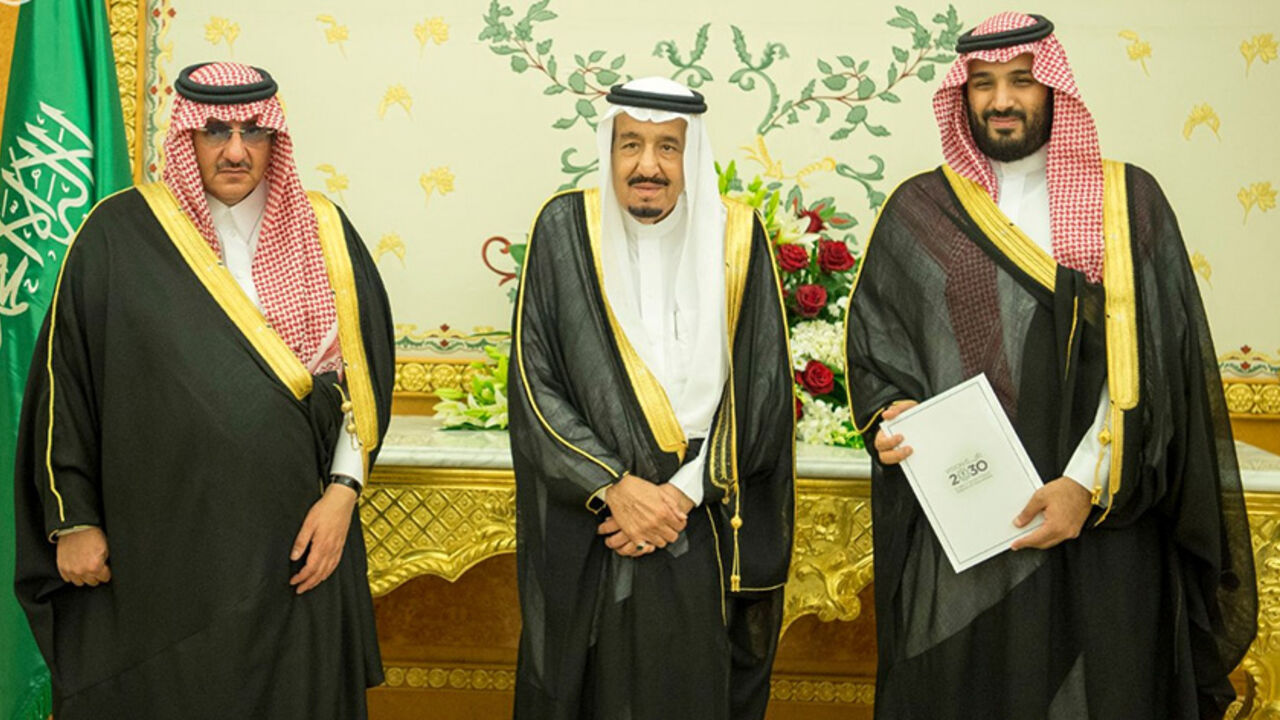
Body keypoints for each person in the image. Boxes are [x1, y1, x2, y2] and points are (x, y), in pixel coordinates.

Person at [844, 12, 1256, 719]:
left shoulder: (1129, 203)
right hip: (973, 536)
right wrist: (890, 415)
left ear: (1053, 88)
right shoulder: (920, 209)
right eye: (982, 83)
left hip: (1107, 523)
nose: (1001, 99)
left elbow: (1156, 364)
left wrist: (1083, 485)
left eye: (1021, 80)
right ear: (961, 96)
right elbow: (879, 350)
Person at [12, 61, 395, 719]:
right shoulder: (118, 233)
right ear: (185, 136)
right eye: (215, 130)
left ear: (277, 138)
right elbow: (63, 384)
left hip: (296, 547)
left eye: (254, 130)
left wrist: (341, 496)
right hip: (159, 551)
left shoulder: (325, 232)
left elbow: (362, 386)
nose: (235, 149)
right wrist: (71, 519)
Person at [508, 77, 794, 720]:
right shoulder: (564, 230)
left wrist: (680, 496)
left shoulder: (738, 240)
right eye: (630, 144)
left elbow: (765, 393)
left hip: (703, 513)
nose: (647, 166)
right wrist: (616, 487)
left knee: (690, 689)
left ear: (691, 157)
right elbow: (534, 382)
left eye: (668, 147)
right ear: (608, 150)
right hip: (595, 521)